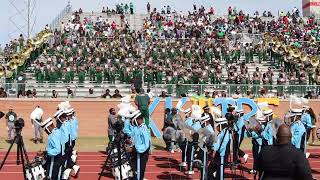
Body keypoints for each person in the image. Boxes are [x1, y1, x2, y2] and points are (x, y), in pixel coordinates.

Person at [128, 110, 150, 180]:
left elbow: (146, 145)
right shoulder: (137, 128)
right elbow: (135, 139)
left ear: (138, 120)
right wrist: (130, 142)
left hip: (141, 155)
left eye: (133, 120)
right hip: (136, 153)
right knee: (134, 170)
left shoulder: (143, 129)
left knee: (139, 171)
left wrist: (133, 149)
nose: (132, 122)